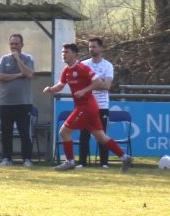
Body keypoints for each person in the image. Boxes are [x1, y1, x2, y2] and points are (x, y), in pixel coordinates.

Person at [44, 43, 134, 173]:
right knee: (101, 137)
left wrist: (84, 90)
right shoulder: (66, 70)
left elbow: (98, 82)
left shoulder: (82, 68)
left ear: (75, 54)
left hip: (86, 107)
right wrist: (51, 89)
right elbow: (61, 85)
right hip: (85, 107)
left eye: (67, 52)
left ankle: (70, 161)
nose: (63, 54)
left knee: (64, 132)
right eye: (63, 52)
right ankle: (125, 157)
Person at [0, 33, 35, 167]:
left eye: (16, 44)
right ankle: (6, 158)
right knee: (6, 132)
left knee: (24, 132)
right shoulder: (4, 59)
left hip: (23, 103)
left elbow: (28, 74)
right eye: (12, 44)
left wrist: (18, 59)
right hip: (6, 103)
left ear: (22, 45)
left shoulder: (28, 58)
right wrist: (18, 75)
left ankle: (27, 159)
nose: (14, 46)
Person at [78, 37, 114, 168]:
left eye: (94, 47)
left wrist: (90, 84)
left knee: (101, 134)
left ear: (101, 48)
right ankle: (82, 162)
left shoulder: (107, 66)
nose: (91, 49)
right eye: (90, 47)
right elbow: (80, 84)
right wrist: (98, 83)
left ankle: (104, 163)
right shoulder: (83, 65)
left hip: (101, 105)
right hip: (86, 105)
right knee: (84, 134)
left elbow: (107, 86)